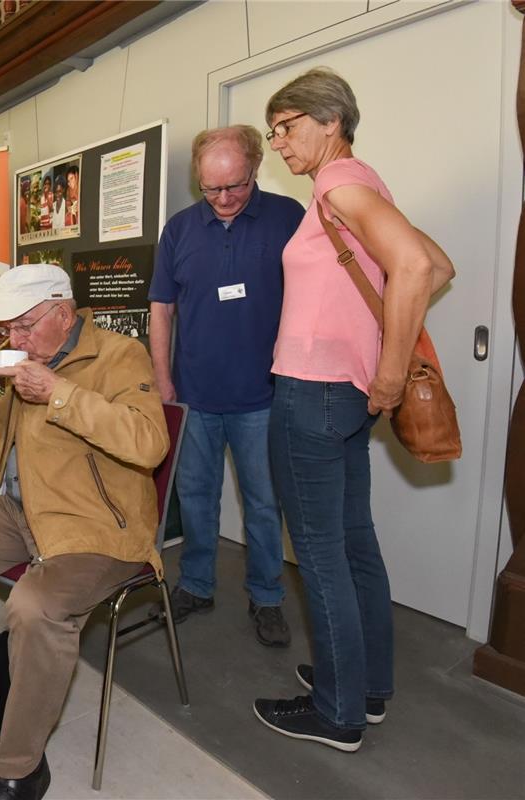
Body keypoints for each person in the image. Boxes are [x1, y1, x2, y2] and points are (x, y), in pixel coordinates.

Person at [0, 264, 169, 800]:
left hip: (96, 524)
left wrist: (61, 394)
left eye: (23, 327)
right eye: (8, 331)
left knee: (34, 607)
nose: (13, 340)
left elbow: (148, 443)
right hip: (22, 511)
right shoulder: (28, 362)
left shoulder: (119, 355)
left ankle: (18, 762)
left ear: (63, 313)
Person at [252, 68, 455, 751]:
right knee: (353, 541)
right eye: (273, 130)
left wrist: (393, 373)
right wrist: (375, 363)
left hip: (313, 390)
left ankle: (337, 714)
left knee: (320, 554)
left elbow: (420, 269)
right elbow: (438, 262)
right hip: (343, 394)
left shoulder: (340, 184)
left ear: (330, 120)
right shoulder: (359, 182)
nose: (278, 142)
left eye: (287, 126)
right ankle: (365, 686)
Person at [147, 125, 305, 647]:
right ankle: (196, 583)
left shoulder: (288, 218)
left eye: (234, 186)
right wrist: (163, 377)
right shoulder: (179, 229)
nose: (222, 199)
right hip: (195, 395)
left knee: (264, 503)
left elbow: (315, 299)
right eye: (210, 189)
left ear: (255, 168)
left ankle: (266, 597)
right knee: (195, 497)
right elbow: (162, 309)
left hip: (263, 396)